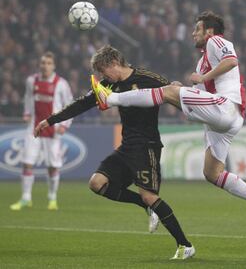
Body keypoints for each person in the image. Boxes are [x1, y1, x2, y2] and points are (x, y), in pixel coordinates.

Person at [34, 45, 195, 260]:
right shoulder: (108, 84)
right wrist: (50, 120)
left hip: (146, 145)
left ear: (113, 63)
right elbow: (82, 104)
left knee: (150, 195)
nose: (102, 76)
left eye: (103, 70)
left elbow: (175, 92)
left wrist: (192, 108)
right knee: (97, 183)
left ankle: (185, 245)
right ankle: (145, 206)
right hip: (127, 145)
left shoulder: (147, 77)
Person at [93, 11, 246, 206]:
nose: (193, 33)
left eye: (197, 29)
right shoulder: (202, 61)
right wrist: (183, 89)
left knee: (167, 92)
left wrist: (200, 80)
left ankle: (111, 99)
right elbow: (198, 96)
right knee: (212, 173)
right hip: (224, 120)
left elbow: (231, 61)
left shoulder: (216, 41)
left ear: (209, 31)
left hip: (225, 107)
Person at [10, 51, 73, 211]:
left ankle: (52, 198)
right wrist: (26, 113)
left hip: (53, 130)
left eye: (48, 63)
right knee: (27, 163)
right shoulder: (32, 81)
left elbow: (71, 106)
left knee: (53, 166)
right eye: (43, 63)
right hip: (34, 127)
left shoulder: (61, 83)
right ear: (39, 64)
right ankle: (26, 198)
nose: (45, 66)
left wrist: (64, 124)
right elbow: (28, 98)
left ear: (54, 66)